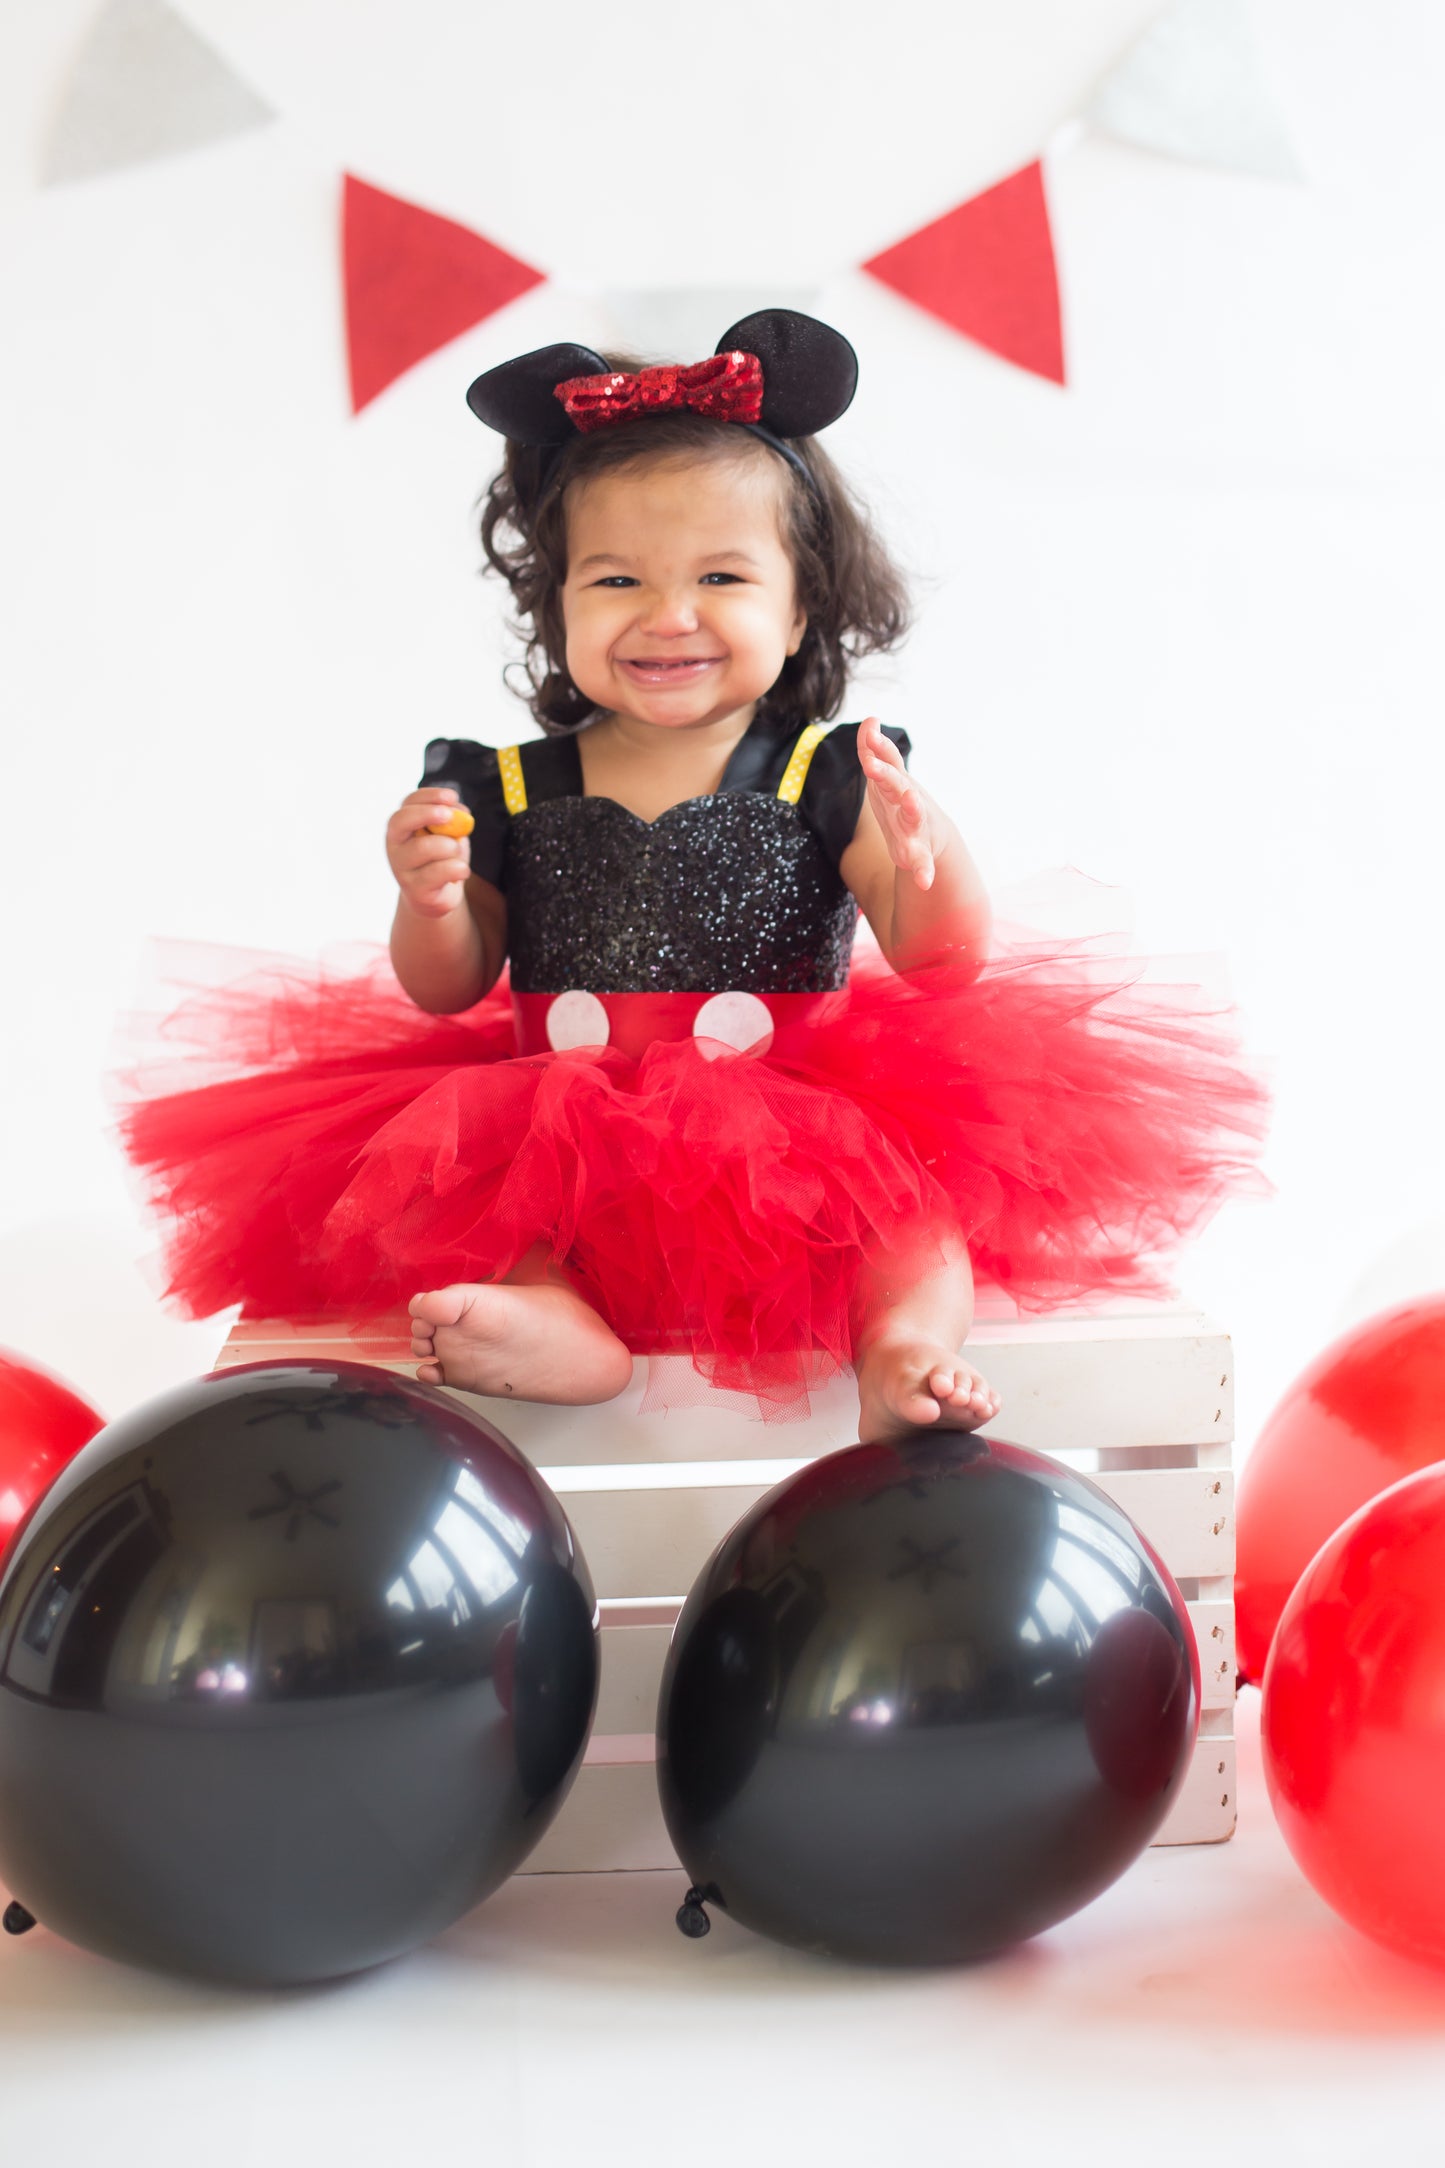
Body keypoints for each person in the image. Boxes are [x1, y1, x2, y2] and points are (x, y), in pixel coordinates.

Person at [122, 310, 1266, 1435]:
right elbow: (448, 983)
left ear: (799, 599)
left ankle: (901, 1344)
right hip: (557, 1107)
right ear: (554, 601)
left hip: (791, 1116)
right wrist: (428, 899)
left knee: (905, 1219)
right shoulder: (504, 784)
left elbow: (941, 959)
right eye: (615, 582)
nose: (669, 616)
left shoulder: (827, 770)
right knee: (481, 1202)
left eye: (720, 576)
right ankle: (557, 1321)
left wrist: (929, 858)